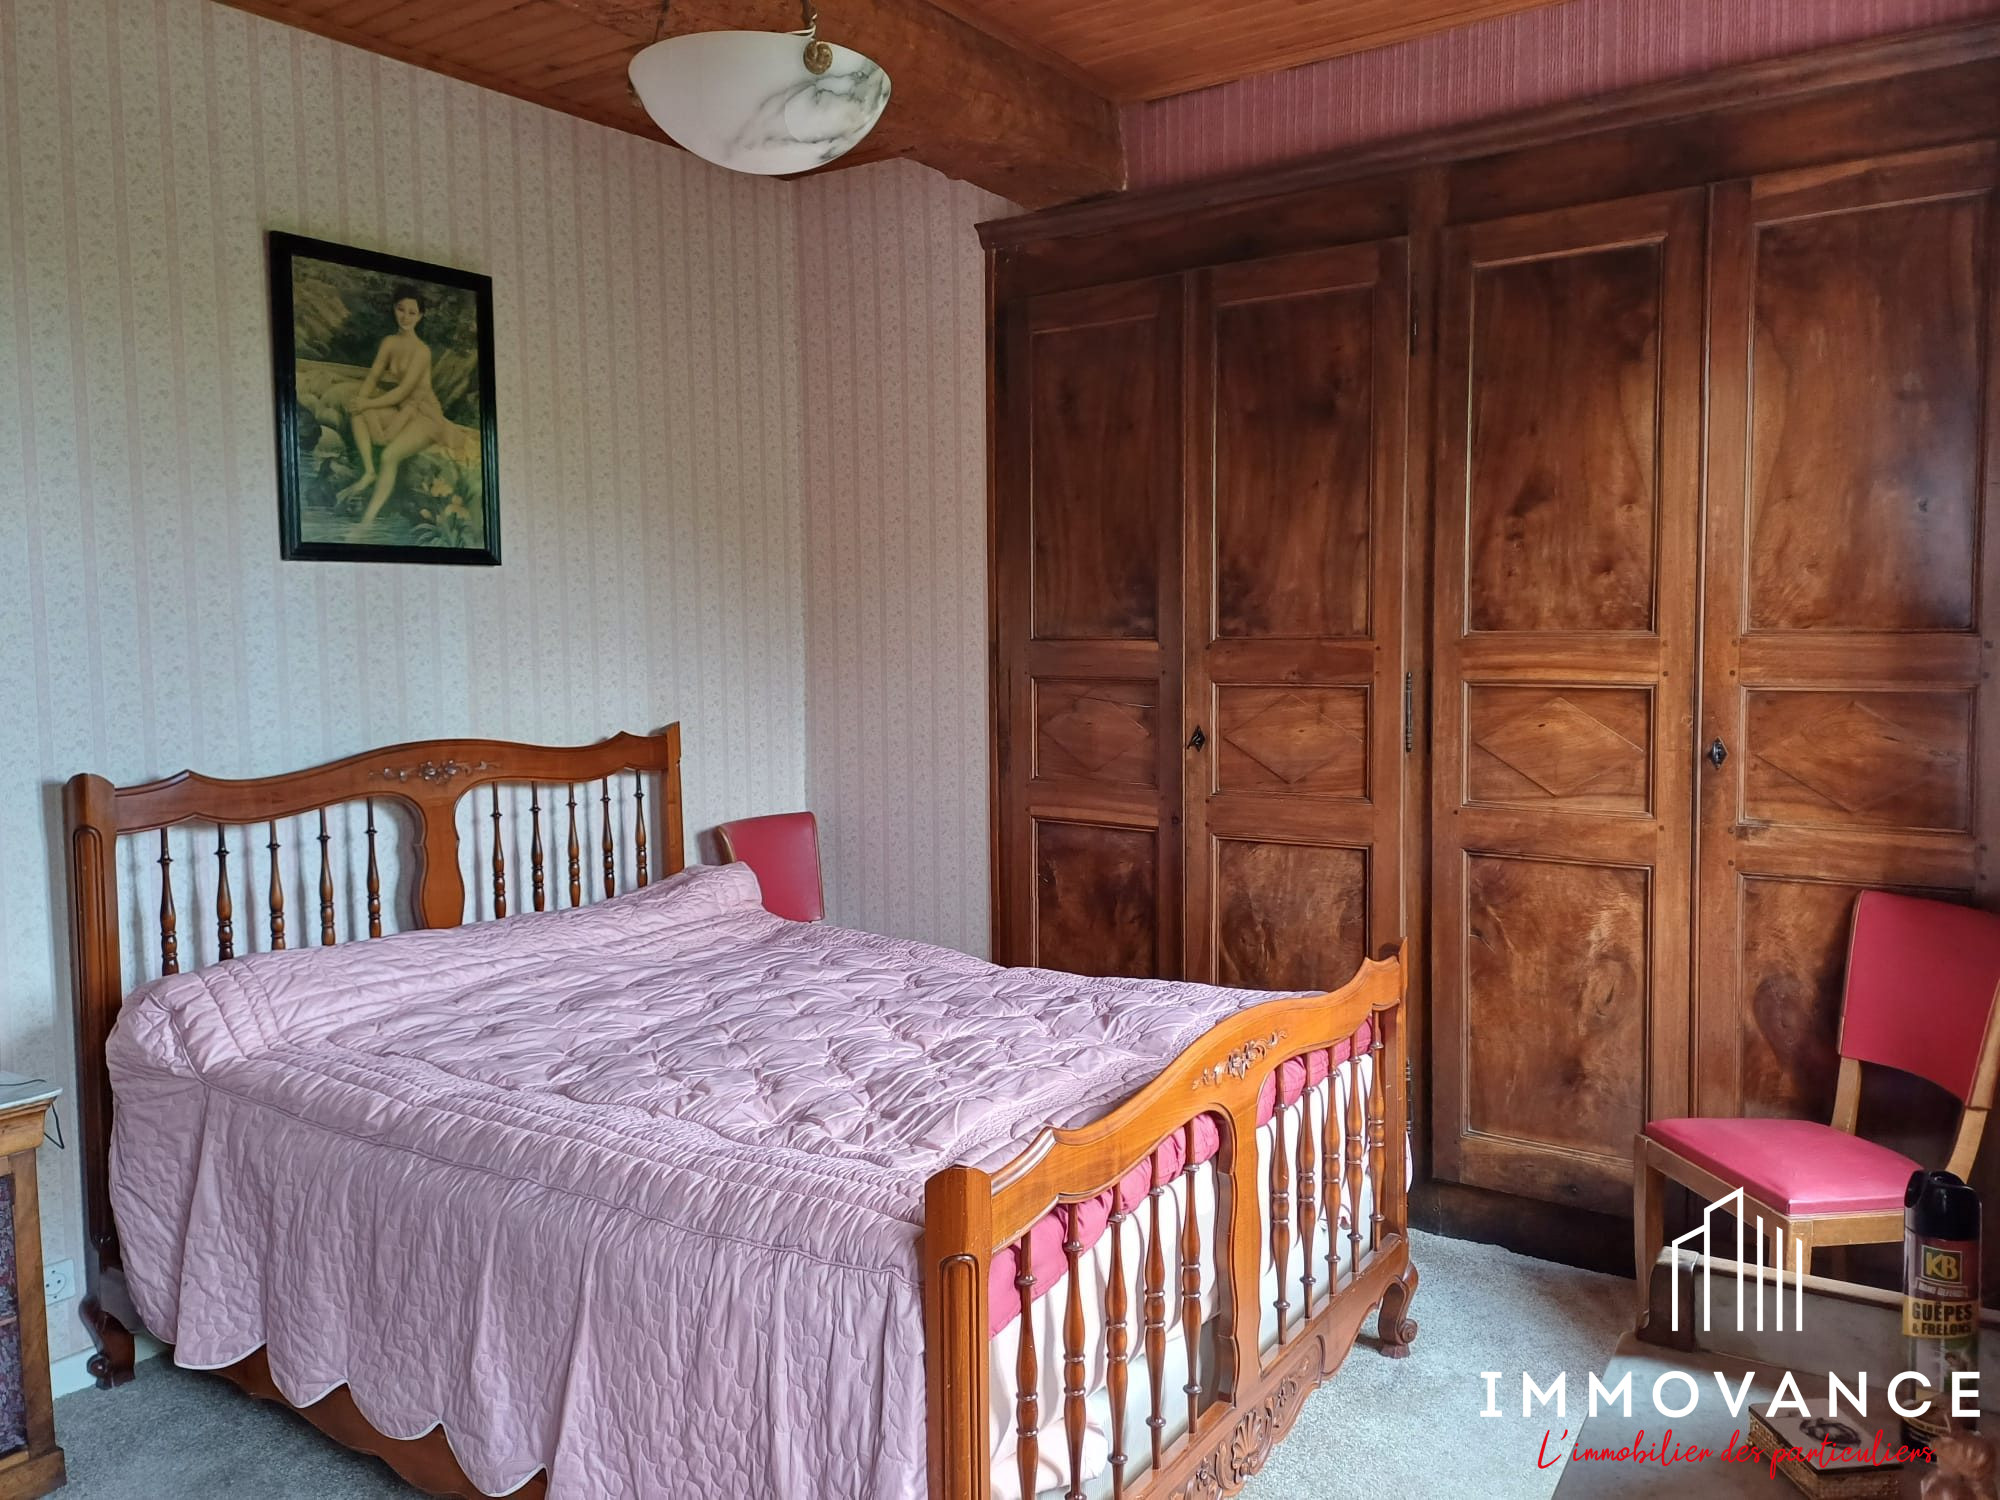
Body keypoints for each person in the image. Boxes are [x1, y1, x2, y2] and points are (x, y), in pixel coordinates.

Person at [338, 285, 476, 526]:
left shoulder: (422, 351)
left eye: (412, 312)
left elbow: (403, 391)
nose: (405, 317)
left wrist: (367, 402)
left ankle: (366, 522)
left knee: (389, 456)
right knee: (357, 411)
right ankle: (369, 472)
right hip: (404, 410)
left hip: (426, 416)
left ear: (420, 316)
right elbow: (373, 377)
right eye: (401, 310)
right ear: (394, 309)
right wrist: (361, 400)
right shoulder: (389, 342)